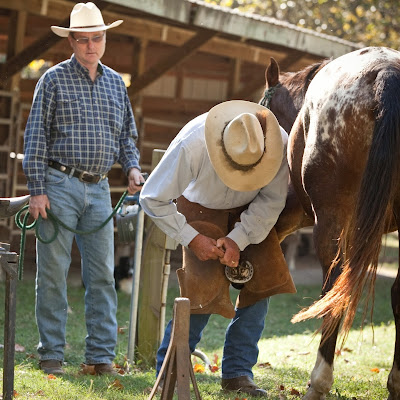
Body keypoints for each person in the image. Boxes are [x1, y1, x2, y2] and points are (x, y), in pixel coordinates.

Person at [140, 100, 296, 397]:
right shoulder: (192, 144)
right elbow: (152, 198)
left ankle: (238, 373)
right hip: (200, 210)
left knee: (261, 286)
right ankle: (170, 372)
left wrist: (240, 237)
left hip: (251, 211)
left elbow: (272, 201)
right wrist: (191, 237)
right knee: (200, 295)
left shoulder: (278, 143)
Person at [22, 2, 144, 376]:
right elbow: (36, 136)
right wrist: (37, 189)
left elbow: (126, 135)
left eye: (97, 38)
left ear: (104, 39)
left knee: (102, 275)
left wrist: (134, 166)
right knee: (54, 273)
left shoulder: (115, 83)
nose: (91, 45)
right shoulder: (53, 80)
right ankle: (52, 355)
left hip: (100, 188)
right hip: (57, 185)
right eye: (83, 39)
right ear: (71, 41)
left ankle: (100, 356)